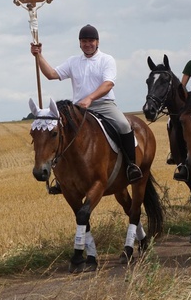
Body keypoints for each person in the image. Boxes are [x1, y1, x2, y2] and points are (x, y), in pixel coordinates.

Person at [30, 24, 143, 185]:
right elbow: (51, 74)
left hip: (103, 105)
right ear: (79, 43)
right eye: (84, 41)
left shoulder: (106, 59)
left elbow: (108, 84)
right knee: (60, 134)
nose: (87, 44)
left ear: (97, 42)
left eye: (91, 41)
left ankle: (131, 166)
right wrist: (39, 56)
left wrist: (90, 98)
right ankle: (62, 178)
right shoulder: (73, 61)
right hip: (78, 109)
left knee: (124, 125)